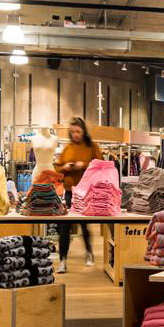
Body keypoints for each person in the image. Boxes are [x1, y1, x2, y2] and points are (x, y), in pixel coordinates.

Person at [55, 117, 102, 273]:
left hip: (87, 192)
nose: (75, 134)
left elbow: (101, 165)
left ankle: (89, 252)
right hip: (70, 191)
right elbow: (57, 169)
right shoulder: (67, 148)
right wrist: (65, 167)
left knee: (84, 224)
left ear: (83, 131)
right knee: (65, 226)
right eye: (72, 132)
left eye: (78, 131)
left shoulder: (92, 147)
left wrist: (84, 165)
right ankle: (62, 260)